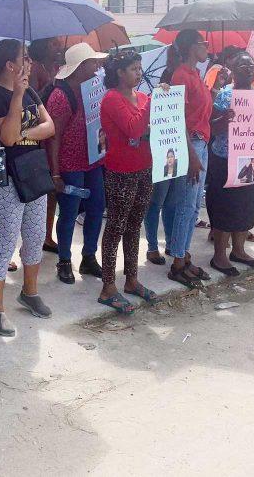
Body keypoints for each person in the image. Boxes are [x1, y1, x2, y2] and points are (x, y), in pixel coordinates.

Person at [0, 39, 56, 336]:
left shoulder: (31, 91)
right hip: (2, 177)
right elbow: (7, 139)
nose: (30, 62)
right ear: (10, 65)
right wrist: (18, 97)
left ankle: (30, 292)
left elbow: (50, 127)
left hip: (31, 171)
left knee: (35, 236)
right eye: (25, 57)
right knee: (6, 243)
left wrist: (22, 130)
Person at [97, 52, 158, 313]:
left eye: (139, 68)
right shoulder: (112, 98)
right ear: (120, 72)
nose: (138, 72)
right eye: (133, 68)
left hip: (145, 167)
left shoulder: (142, 97)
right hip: (121, 170)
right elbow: (134, 129)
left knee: (134, 225)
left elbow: (150, 128)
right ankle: (108, 287)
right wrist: (151, 107)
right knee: (116, 226)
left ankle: (131, 279)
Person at [45, 43, 108, 285]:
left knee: (95, 208)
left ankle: (89, 256)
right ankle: (64, 260)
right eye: (92, 62)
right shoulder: (61, 96)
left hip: (92, 162)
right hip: (70, 165)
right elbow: (54, 137)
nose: (97, 66)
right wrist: (56, 174)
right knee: (69, 213)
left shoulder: (93, 89)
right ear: (81, 66)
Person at [207, 52, 254, 277]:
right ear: (233, 70)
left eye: (251, 66)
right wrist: (224, 119)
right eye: (243, 66)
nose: (249, 70)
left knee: (247, 203)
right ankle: (220, 255)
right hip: (226, 159)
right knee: (225, 205)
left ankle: (239, 250)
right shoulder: (225, 95)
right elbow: (212, 126)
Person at [164, 29, 214, 289]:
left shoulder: (196, 74)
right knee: (186, 204)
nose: (207, 47)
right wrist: (191, 155)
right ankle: (177, 261)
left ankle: (182, 253)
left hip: (201, 142)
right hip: (190, 144)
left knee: (194, 206)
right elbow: (178, 119)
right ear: (192, 47)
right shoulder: (182, 75)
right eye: (203, 43)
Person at [28, 38, 63, 254]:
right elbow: (29, 101)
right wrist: (49, 87)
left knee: (52, 192)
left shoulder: (57, 67)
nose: (58, 45)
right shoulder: (35, 69)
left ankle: (47, 234)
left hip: (55, 132)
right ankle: (40, 235)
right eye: (53, 43)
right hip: (40, 137)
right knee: (43, 188)